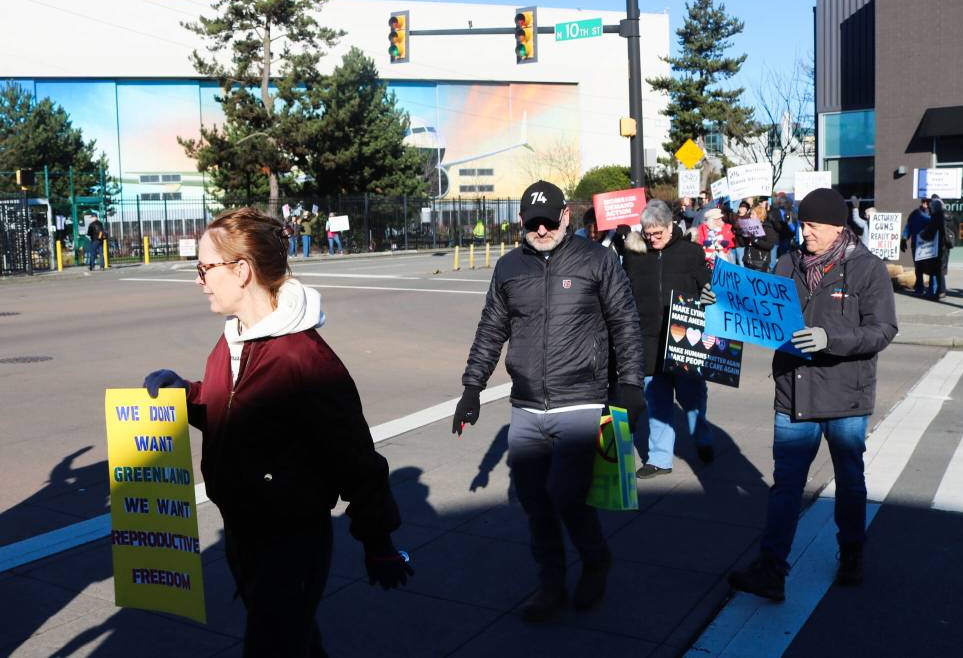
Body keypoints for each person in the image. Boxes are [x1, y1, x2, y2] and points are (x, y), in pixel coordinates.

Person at [142, 208, 410, 655]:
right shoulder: (232, 339)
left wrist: (378, 541)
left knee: (272, 645)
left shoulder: (302, 359)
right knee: (295, 641)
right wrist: (184, 395)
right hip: (242, 530)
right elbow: (233, 412)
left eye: (205, 268)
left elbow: (355, 457)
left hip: (290, 543)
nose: (199, 279)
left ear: (242, 270)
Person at [451, 180, 646, 622]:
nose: (541, 230)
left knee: (565, 493)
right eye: (532, 223)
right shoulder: (508, 268)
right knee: (534, 499)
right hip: (526, 404)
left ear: (565, 217)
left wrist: (631, 383)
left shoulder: (597, 259)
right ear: (522, 222)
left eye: (548, 221)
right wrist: (471, 388)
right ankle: (551, 583)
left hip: (580, 398)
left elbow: (625, 322)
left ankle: (596, 560)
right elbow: (491, 330)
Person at [724, 187, 897, 602]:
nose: (806, 234)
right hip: (794, 394)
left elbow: (883, 330)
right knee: (786, 487)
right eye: (802, 225)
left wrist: (828, 338)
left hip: (845, 396)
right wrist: (723, 302)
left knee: (851, 484)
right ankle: (771, 570)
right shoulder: (787, 263)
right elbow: (757, 311)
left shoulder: (867, 269)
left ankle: (852, 554)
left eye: (814, 227)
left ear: (839, 228)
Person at [622, 200, 714, 476]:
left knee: (692, 396)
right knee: (657, 400)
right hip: (649, 339)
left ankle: (702, 437)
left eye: (657, 233)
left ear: (670, 226)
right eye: (647, 234)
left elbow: (708, 286)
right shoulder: (635, 256)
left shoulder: (691, 253)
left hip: (685, 339)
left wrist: (709, 295)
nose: (652, 239)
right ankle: (660, 458)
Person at [900, 198, 933, 294]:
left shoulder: (933, 214)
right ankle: (919, 287)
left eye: (927, 201)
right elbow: (908, 226)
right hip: (917, 245)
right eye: (923, 201)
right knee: (918, 268)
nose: (925, 203)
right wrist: (904, 239)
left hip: (930, 246)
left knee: (931, 268)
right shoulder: (915, 214)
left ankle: (932, 288)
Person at [739, 199, 778, 273]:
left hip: (760, 262)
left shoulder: (767, 227)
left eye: (753, 214)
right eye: (750, 214)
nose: (750, 216)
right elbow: (742, 243)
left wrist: (756, 240)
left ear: (759, 215)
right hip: (747, 260)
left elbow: (770, 245)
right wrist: (742, 236)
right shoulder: (748, 225)